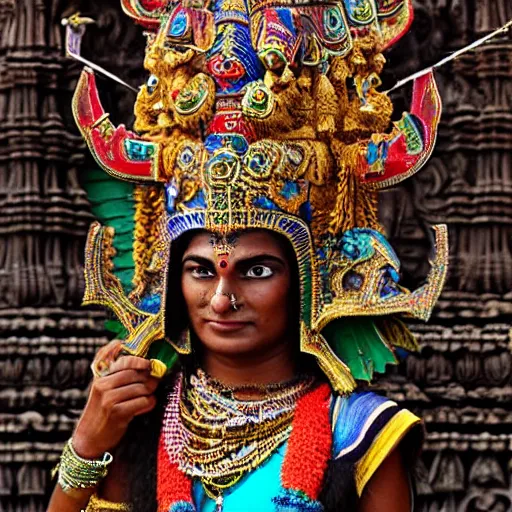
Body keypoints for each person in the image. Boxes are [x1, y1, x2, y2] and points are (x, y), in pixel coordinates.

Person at [49, 0, 449, 510]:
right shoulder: (136, 423)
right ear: (171, 279)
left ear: (308, 278)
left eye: (256, 270)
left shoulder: (360, 434)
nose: (221, 299)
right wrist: (87, 445)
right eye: (199, 270)